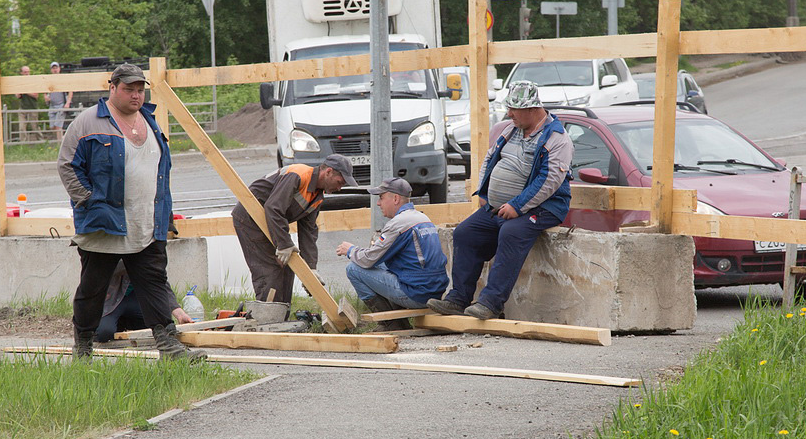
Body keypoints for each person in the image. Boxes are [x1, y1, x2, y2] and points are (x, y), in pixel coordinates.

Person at [57, 63, 205, 361]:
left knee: (153, 283)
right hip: (104, 223)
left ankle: (170, 347)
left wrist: (166, 214)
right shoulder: (87, 123)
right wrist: (88, 201)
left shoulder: (150, 121)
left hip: (147, 223)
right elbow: (67, 166)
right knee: (93, 289)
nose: (136, 95)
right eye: (128, 89)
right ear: (112, 88)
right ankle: (83, 348)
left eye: (140, 90)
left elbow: (159, 172)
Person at [428, 81, 573, 321]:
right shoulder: (511, 130)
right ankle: (458, 298)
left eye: (514, 109)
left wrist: (517, 206)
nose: (509, 113)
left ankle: (492, 303)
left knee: (512, 233)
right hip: (500, 207)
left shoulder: (556, 138)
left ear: (532, 109)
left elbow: (549, 181)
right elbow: (490, 158)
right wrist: (485, 193)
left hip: (543, 207)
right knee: (465, 233)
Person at [231, 154, 356, 309]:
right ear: (328, 172)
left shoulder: (317, 196)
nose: (339, 188)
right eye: (340, 182)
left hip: (269, 222)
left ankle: (281, 317)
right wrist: (284, 244)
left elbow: (308, 232)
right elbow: (273, 208)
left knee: (288, 265)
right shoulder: (297, 175)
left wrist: (311, 268)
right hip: (249, 219)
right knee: (269, 269)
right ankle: (266, 317)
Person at [336, 177, 448, 330]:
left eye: (381, 198)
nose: (378, 203)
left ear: (395, 199)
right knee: (382, 262)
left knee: (354, 269)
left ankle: (391, 323)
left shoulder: (399, 224)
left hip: (417, 295)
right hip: (435, 291)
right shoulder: (422, 217)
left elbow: (368, 260)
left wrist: (350, 250)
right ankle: (398, 319)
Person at [95, 261, 194, 343]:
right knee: (103, 333)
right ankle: (115, 322)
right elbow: (104, 267)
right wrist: (140, 261)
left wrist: (179, 313)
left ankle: (125, 322)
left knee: (160, 326)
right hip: (110, 300)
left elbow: (159, 283)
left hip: (137, 300)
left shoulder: (149, 245)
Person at [46, 61, 73, 142]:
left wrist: (68, 103)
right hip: (52, 105)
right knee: (52, 126)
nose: (55, 70)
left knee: (58, 126)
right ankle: (63, 139)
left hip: (61, 104)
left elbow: (70, 91)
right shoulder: (48, 80)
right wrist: (46, 97)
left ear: (59, 69)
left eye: (56, 68)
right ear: (51, 70)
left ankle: (60, 144)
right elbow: (44, 91)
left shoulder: (63, 79)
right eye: (53, 68)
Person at [15, 65, 39, 142]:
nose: (27, 74)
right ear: (21, 73)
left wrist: (25, 91)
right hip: (23, 108)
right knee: (22, 127)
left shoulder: (33, 82)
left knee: (35, 127)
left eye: (28, 72)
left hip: (32, 108)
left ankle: (41, 141)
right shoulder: (19, 83)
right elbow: (17, 95)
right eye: (25, 72)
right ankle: (23, 144)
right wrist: (20, 91)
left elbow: (36, 95)